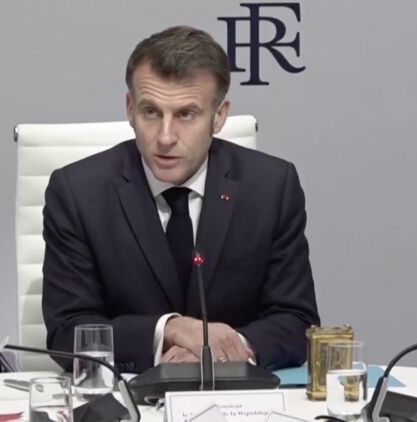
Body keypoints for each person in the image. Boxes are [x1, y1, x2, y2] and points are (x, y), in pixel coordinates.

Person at [42, 26, 320, 374]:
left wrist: (221, 351)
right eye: (151, 112)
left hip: (236, 395)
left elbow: (296, 321)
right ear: (130, 109)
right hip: (127, 393)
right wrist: (169, 330)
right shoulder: (78, 193)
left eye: (186, 114)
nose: (165, 137)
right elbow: (67, 331)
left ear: (219, 116)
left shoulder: (271, 187)